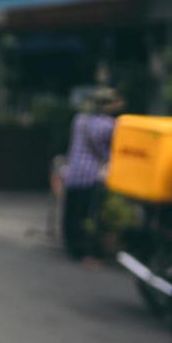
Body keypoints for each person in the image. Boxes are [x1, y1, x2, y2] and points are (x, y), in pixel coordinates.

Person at [60, 87, 122, 260]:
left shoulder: (79, 120)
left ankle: (71, 247)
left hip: (72, 172)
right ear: (106, 106)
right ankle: (84, 252)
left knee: (71, 212)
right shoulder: (110, 126)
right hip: (91, 175)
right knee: (87, 215)